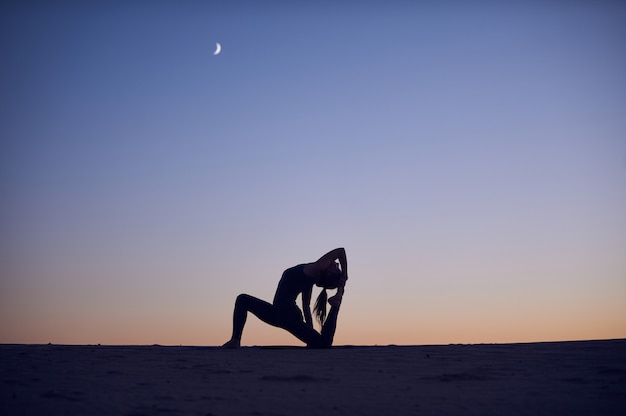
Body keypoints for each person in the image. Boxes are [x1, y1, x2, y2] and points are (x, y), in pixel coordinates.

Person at [222, 247, 348, 348]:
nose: (336, 263)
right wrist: (309, 333)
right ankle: (235, 340)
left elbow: (340, 251)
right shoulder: (310, 276)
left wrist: (344, 278)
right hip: (277, 314)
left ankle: (335, 304)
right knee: (242, 300)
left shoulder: (314, 269)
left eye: (337, 267)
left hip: (287, 315)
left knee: (323, 344)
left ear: (329, 272)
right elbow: (306, 307)